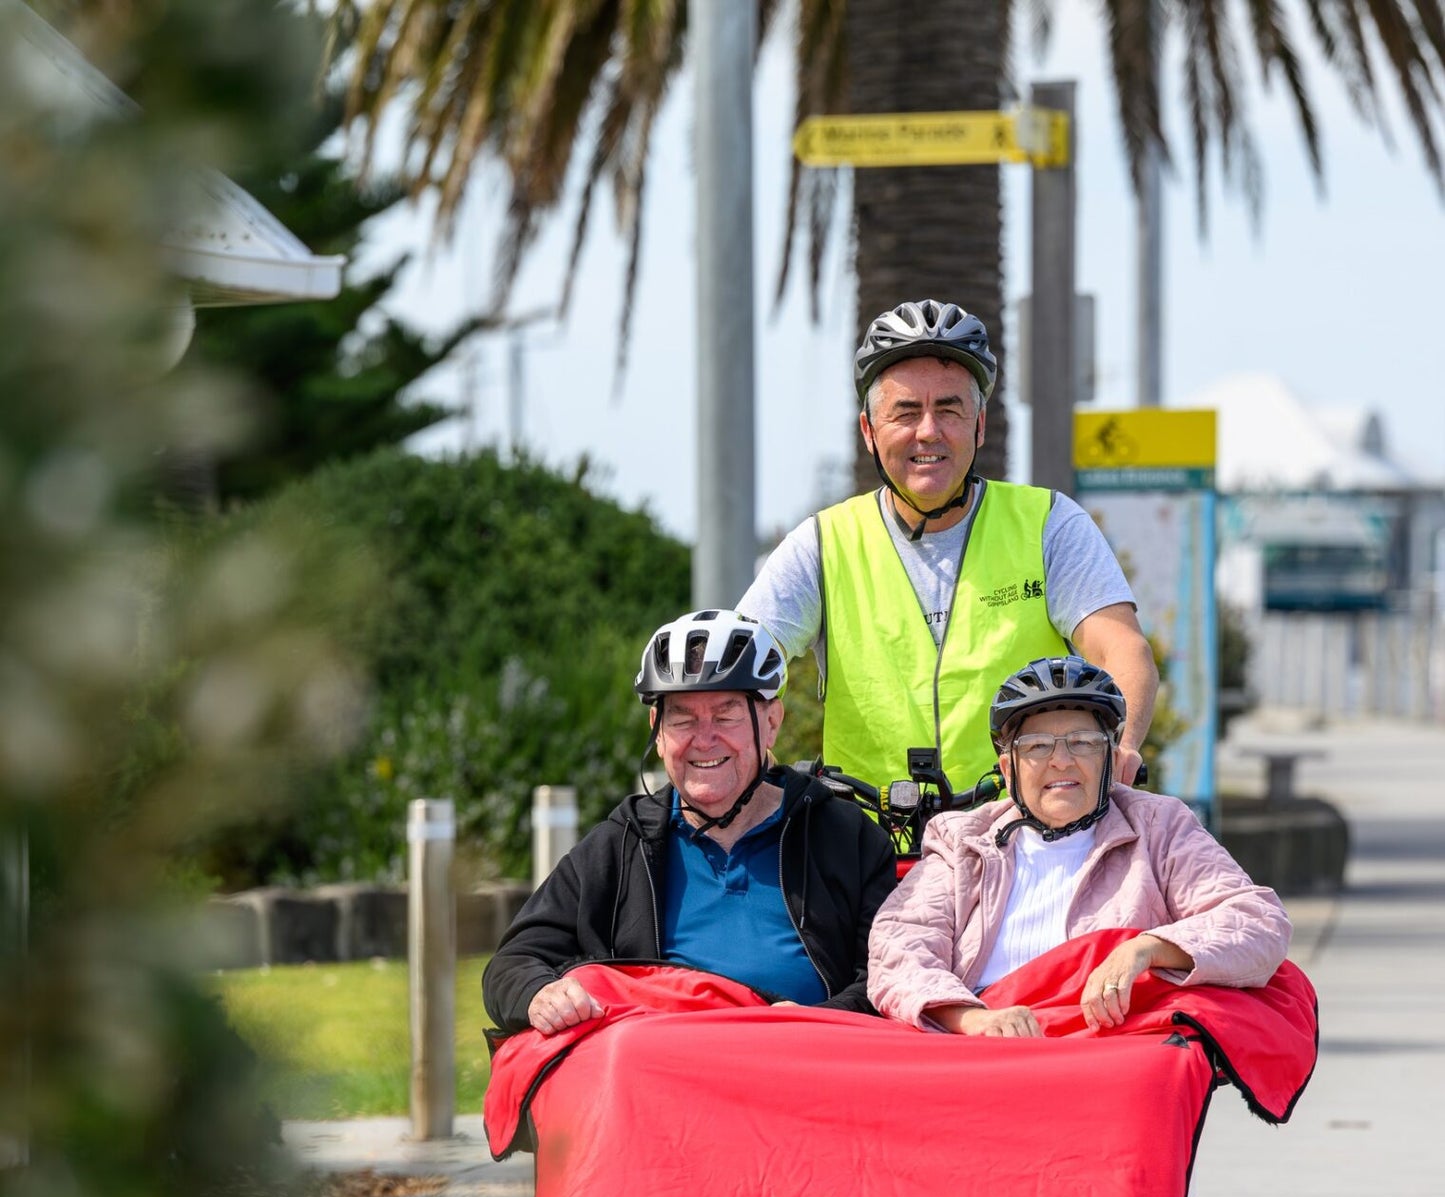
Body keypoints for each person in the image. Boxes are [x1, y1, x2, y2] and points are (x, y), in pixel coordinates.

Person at [739, 299, 1158, 798]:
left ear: (979, 426)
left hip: (1022, 837)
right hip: (864, 850)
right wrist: (749, 754)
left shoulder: (1049, 524)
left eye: (950, 409)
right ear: (869, 433)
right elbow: (742, 661)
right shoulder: (822, 543)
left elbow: (1122, 649)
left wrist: (1120, 744)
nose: (929, 431)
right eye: (906, 412)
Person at [483, 609, 897, 1035]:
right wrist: (541, 993)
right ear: (657, 731)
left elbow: (891, 980)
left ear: (771, 723)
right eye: (682, 718)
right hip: (659, 1082)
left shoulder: (846, 838)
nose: (703, 739)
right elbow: (512, 963)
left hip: (798, 1077)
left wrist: (807, 1022)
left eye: (725, 716)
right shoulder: (624, 844)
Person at [866, 656, 1291, 1036]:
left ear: (1111, 758)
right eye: (1037, 747)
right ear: (1007, 769)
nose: (1062, 761)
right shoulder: (962, 840)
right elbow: (898, 948)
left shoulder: (1159, 827)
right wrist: (971, 1019)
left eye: (1083, 743)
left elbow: (1257, 921)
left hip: (1105, 1048)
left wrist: (1146, 949)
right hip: (983, 1047)